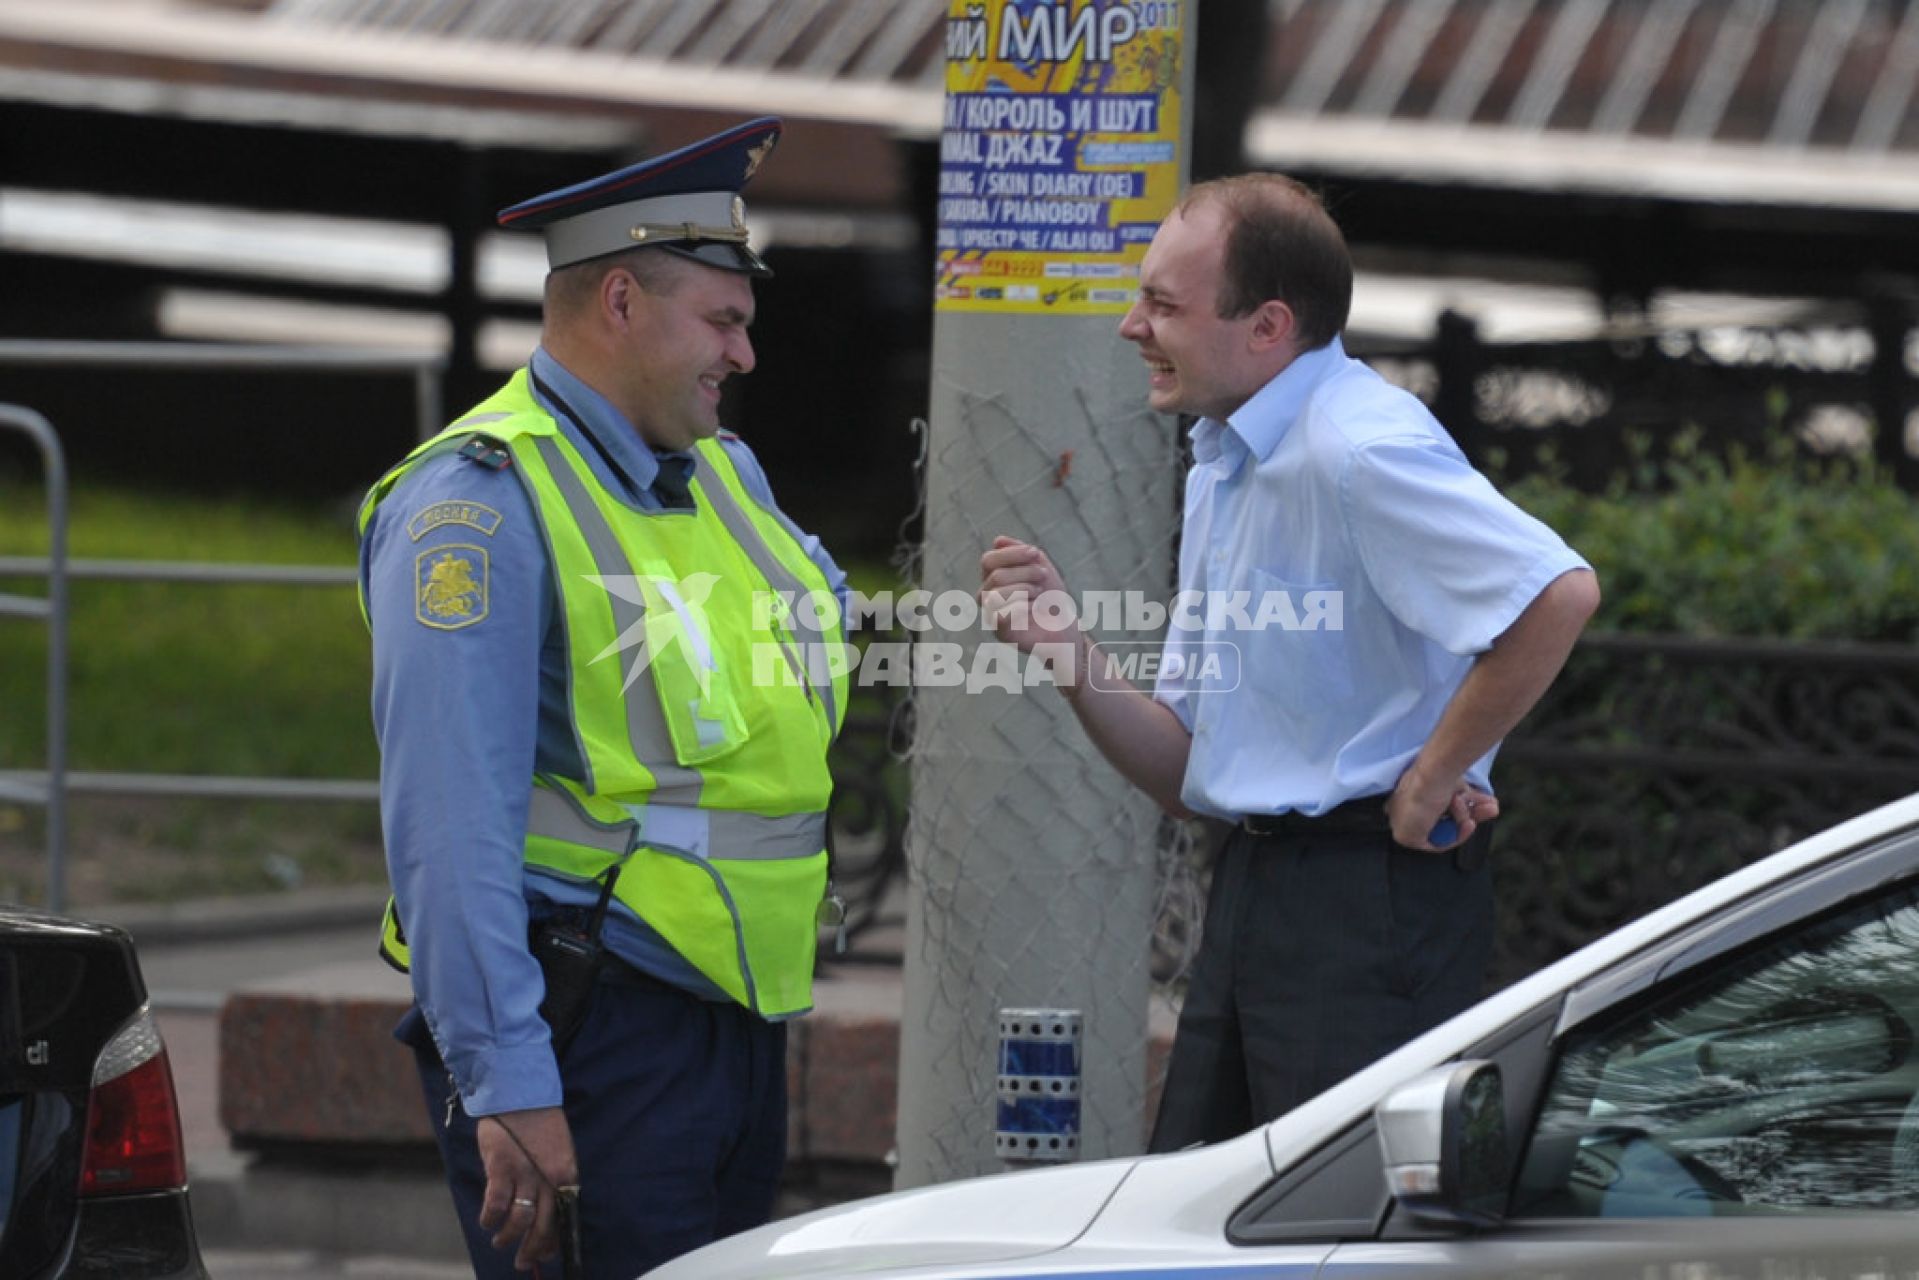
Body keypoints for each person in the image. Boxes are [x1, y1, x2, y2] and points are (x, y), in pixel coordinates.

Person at [980, 173, 1600, 1151]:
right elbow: (1189, 776)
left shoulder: (1357, 446)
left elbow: (1555, 593)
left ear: (1267, 325)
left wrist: (1432, 774)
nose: (1129, 326)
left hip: (1365, 902)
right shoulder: (1226, 452)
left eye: (1162, 304)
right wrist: (1067, 649)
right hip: (1262, 889)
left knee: (1332, 1233)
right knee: (1210, 1214)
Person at [356, 116, 848, 1277]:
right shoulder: (473, 505)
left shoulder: (721, 472)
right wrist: (507, 1080)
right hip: (594, 1031)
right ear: (620, 301)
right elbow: (447, 825)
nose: (744, 356)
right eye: (722, 323)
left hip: (729, 1020)